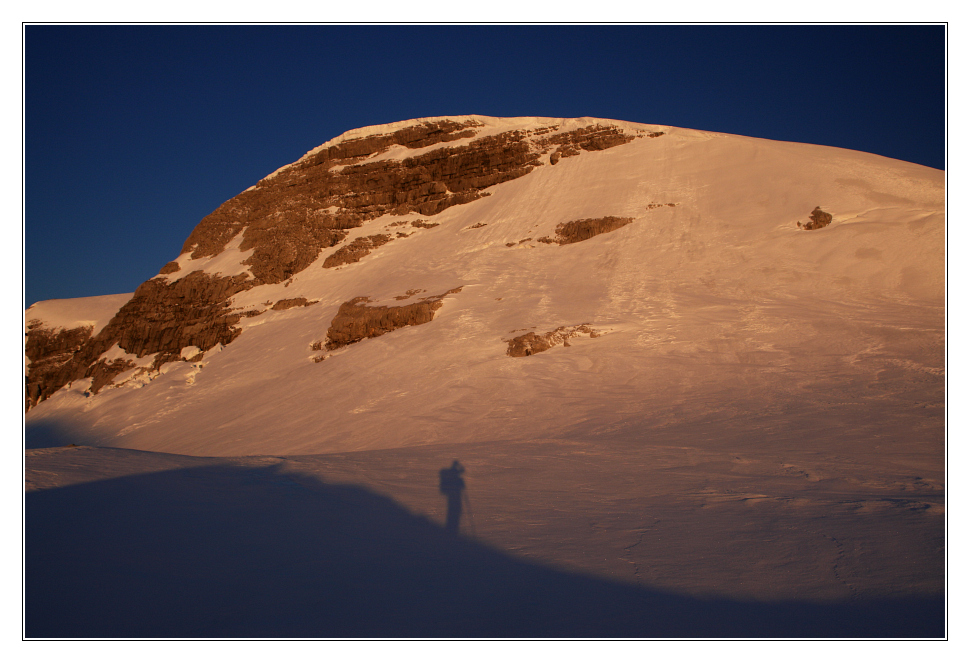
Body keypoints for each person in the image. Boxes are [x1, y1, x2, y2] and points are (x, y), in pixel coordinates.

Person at [439, 460, 466, 533]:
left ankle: (451, 529)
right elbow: (463, 470)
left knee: (452, 514)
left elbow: (462, 470)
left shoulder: (451, 477)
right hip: (455, 500)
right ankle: (452, 531)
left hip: (452, 500)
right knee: (454, 514)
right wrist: (459, 465)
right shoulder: (454, 478)